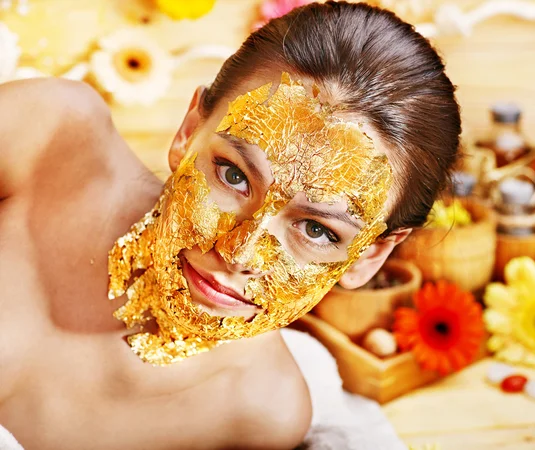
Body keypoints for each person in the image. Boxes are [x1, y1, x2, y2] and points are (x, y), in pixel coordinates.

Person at [0, 1, 461, 449]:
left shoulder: (260, 413)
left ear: (372, 255)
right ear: (189, 130)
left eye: (317, 230)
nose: (238, 252)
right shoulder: (47, 135)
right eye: (234, 175)